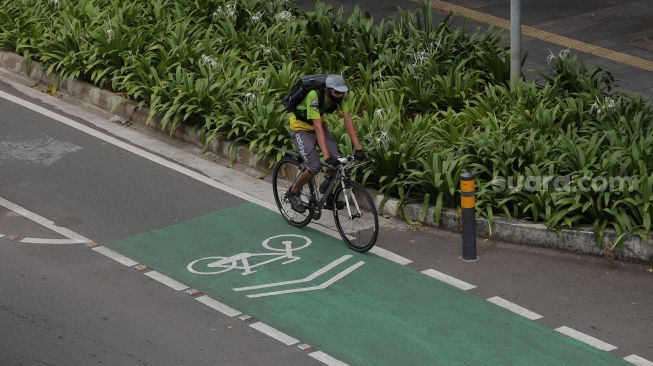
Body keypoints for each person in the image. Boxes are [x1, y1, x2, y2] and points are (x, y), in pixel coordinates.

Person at [286, 74, 366, 213]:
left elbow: (348, 120)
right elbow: (316, 126)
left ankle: (328, 193)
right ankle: (293, 191)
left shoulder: (341, 96)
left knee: (338, 161)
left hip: (319, 124)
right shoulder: (313, 95)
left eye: (342, 92)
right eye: (336, 92)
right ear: (328, 90)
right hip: (301, 128)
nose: (339, 95)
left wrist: (359, 148)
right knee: (314, 166)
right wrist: (327, 156)